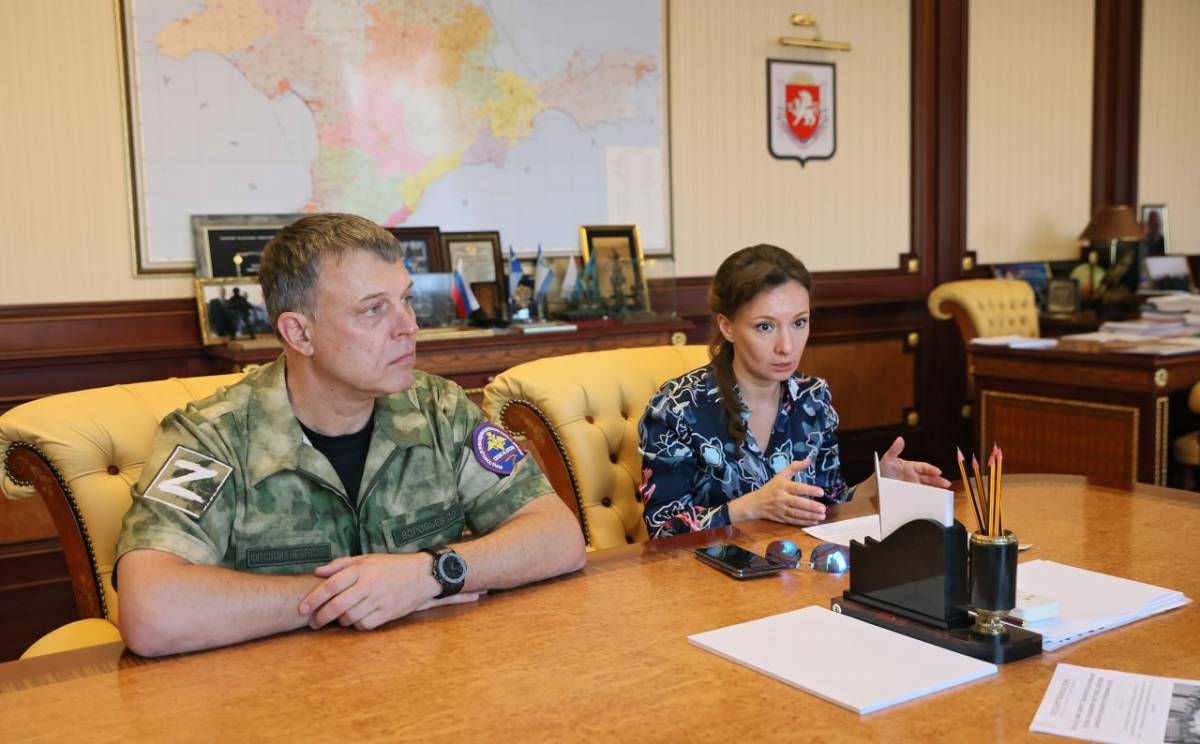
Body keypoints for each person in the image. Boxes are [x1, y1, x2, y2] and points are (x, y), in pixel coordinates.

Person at [115, 214, 585, 656]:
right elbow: (150, 610)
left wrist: (431, 574)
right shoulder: (210, 439)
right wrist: (351, 596)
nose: (409, 326)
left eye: (406, 300)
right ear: (299, 333)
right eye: (374, 309)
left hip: (432, 676)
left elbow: (558, 535)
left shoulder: (440, 409)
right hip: (275, 693)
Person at [638, 244, 950, 539]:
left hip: (795, 566)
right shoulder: (677, 408)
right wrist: (751, 507)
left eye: (799, 323)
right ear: (727, 326)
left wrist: (876, 485)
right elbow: (662, 530)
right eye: (765, 327)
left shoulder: (813, 398)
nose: (786, 346)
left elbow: (827, 503)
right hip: (709, 572)